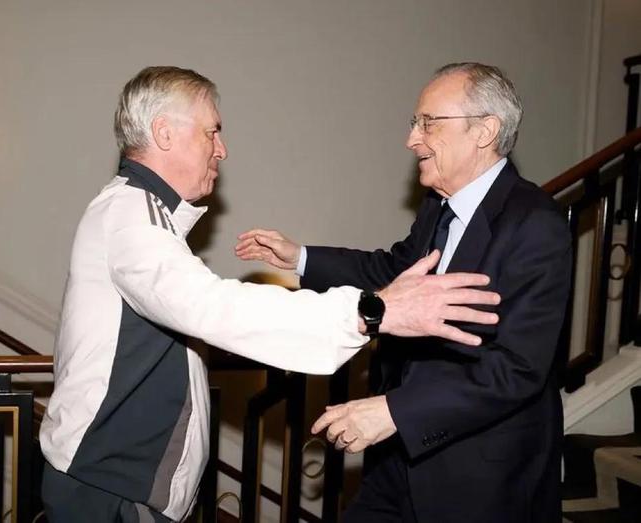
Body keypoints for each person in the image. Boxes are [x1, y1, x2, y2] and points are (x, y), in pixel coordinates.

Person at [38, 66, 501, 522]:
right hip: (112, 488)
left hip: (118, 483)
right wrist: (371, 312)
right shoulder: (132, 218)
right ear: (164, 133)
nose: (222, 149)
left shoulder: (138, 213)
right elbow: (211, 307)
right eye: (212, 132)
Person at [236, 62, 572, 522]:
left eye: (428, 123)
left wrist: (394, 412)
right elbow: (395, 272)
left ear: (484, 131)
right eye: (415, 123)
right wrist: (301, 258)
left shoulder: (536, 224)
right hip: (399, 459)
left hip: (480, 477)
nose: (412, 139)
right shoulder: (439, 207)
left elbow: (516, 368)